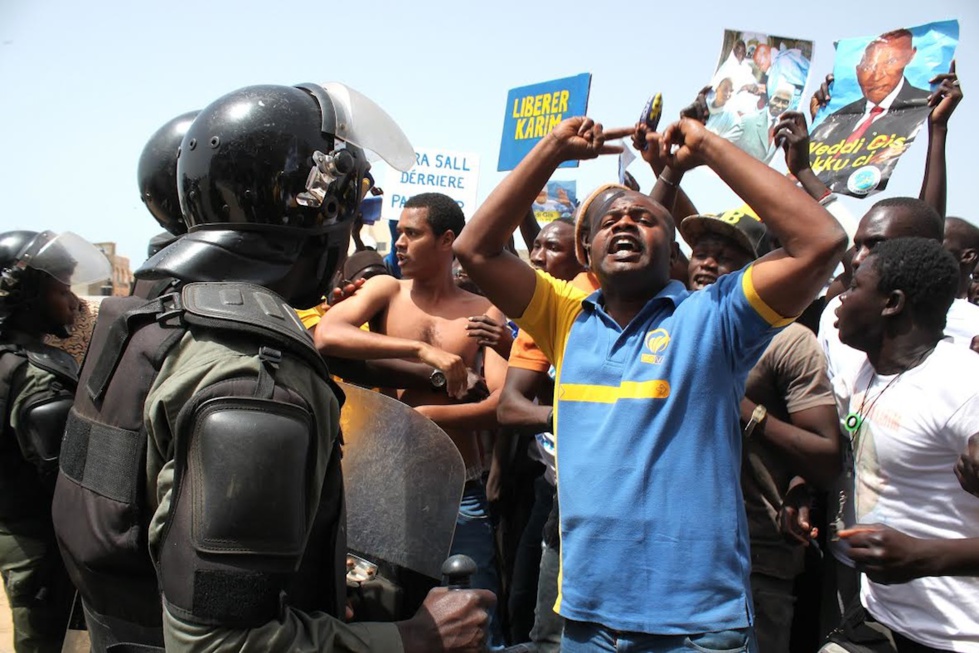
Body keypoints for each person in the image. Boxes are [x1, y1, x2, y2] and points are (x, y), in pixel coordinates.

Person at [52, 83, 494, 653]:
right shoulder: (256, 381)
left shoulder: (144, 321)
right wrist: (412, 637)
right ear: (320, 214)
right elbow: (219, 641)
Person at [454, 114, 846, 651]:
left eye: (644, 218)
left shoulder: (717, 318)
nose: (625, 224)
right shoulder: (565, 318)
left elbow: (821, 241)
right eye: (611, 221)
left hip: (697, 627)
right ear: (586, 252)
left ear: (673, 253)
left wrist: (707, 146)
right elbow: (475, 249)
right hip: (588, 621)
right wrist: (551, 147)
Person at [314, 191, 509, 648]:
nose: (398, 242)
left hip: (460, 490)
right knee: (379, 608)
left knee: (473, 613)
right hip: (385, 486)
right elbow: (328, 334)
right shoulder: (385, 290)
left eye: (411, 233)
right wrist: (421, 350)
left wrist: (426, 415)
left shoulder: (484, 311)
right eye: (397, 232)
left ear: (446, 240)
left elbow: (501, 404)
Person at [680, 210, 841, 652]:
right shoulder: (666, 327)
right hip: (675, 549)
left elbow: (824, 454)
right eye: (700, 253)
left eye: (725, 257)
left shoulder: (789, 342)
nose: (707, 264)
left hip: (755, 555)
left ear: (756, 271)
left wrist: (743, 407)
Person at [833, 237, 979, 652]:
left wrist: (924, 558)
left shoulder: (964, 387)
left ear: (892, 303)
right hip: (880, 619)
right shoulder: (864, 370)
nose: (841, 298)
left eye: (855, 286)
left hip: (958, 636)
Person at [0, 230, 110, 653]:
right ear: (28, 296)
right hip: (40, 542)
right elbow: (71, 473)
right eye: (62, 289)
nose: (75, 302)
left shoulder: (12, 358)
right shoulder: (32, 376)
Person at [810, 30, 931, 150]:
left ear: (908, 58)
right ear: (857, 71)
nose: (877, 77)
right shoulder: (840, 116)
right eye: (868, 67)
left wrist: (938, 127)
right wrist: (819, 124)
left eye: (890, 62)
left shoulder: (922, 104)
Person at [733, 83, 793, 162]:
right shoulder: (748, 120)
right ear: (770, 98)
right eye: (777, 100)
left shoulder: (786, 132)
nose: (779, 105)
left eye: (785, 102)